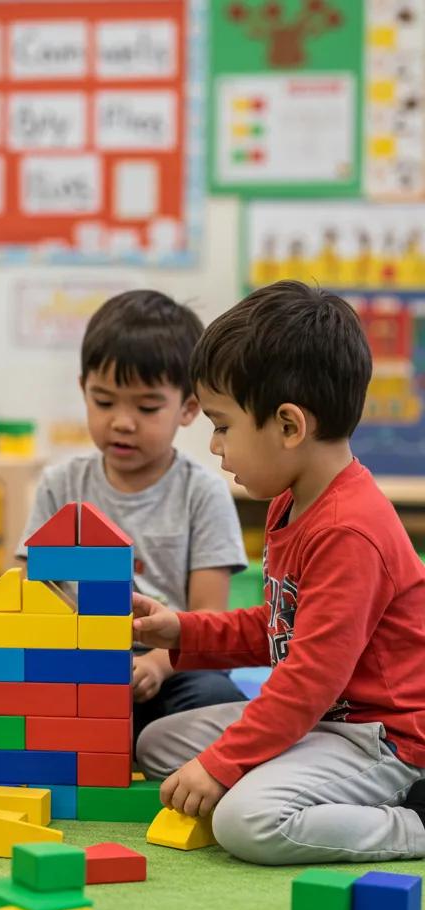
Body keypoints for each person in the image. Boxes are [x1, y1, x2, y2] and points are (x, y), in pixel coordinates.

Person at [134, 281, 425, 865]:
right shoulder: (290, 502)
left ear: (289, 426)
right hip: (321, 720)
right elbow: (279, 627)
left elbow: (309, 679)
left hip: (383, 738)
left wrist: (224, 765)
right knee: (159, 743)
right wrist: (183, 632)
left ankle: (412, 823)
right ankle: (289, 780)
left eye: (222, 425)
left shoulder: (350, 530)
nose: (215, 446)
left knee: (248, 821)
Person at [17, 289, 248, 738]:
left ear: (188, 408)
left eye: (146, 407)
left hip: (174, 667)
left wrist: (157, 665)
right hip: (78, 664)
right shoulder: (60, 485)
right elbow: (29, 589)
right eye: (104, 402)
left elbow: (208, 618)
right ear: (83, 388)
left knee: (216, 702)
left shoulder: (201, 493)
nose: (122, 421)